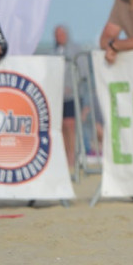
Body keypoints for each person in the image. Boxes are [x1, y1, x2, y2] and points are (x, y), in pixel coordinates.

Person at [48, 25, 82, 171]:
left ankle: (72, 157)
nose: (59, 37)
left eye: (61, 34)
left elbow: (83, 71)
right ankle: (64, 157)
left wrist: (73, 86)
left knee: (70, 125)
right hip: (57, 96)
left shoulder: (76, 51)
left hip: (72, 94)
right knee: (60, 127)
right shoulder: (52, 52)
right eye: (57, 34)